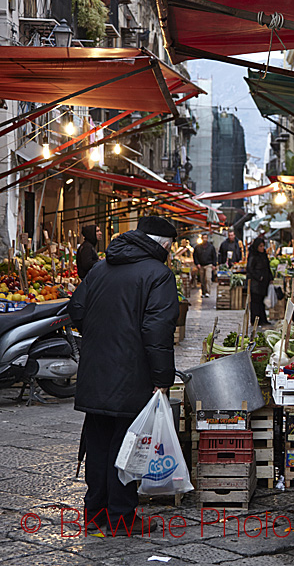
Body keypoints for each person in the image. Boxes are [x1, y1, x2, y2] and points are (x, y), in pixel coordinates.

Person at [68, 216, 179, 535]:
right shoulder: (159, 275)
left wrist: (101, 338)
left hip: (95, 370)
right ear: (163, 245)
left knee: (99, 442)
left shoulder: (101, 267)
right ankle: (121, 517)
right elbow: (157, 331)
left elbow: (76, 308)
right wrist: (162, 378)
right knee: (128, 445)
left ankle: (94, 514)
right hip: (132, 374)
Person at [247, 236, 274, 326]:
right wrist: (259, 277)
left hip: (263, 283)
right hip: (256, 283)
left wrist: (270, 277)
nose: (262, 248)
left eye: (263, 246)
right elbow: (250, 269)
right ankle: (255, 320)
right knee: (255, 302)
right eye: (260, 246)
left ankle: (263, 319)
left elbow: (267, 267)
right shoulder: (253, 255)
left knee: (261, 302)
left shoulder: (263, 255)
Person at [193, 233, 217, 297]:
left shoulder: (211, 247)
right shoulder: (197, 247)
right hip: (201, 265)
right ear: (201, 239)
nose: (205, 239)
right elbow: (195, 256)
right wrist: (197, 263)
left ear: (207, 238)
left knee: (208, 278)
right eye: (203, 238)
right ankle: (203, 292)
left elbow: (214, 256)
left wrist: (214, 264)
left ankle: (208, 292)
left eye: (206, 238)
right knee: (202, 279)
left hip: (208, 264)